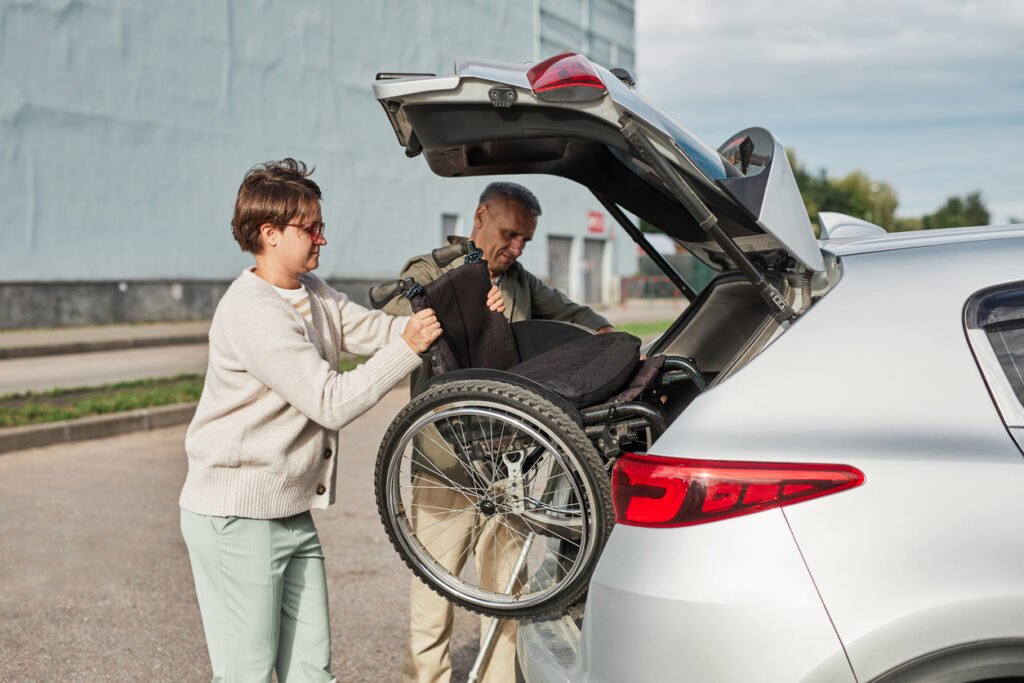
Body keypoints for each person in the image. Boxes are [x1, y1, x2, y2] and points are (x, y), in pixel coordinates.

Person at [178, 158, 442, 682]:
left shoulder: (312, 291)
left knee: (311, 670)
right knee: (247, 674)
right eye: (310, 228)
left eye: (322, 225)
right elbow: (329, 400)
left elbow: (373, 330)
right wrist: (409, 350)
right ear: (269, 233)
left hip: (290, 511)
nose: (322, 237)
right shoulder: (253, 310)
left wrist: (442, 316)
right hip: (237, 517)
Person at [384, 181, 613, 683]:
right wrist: (464, 299)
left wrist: (609, 338)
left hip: (507, 466)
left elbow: (577, 316)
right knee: (433, 589)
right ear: (480, 216)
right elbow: (393, 316)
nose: (516, 247)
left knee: (508, 592)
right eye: (510, 234)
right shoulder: (429, 270)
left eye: (525, 239)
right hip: (444, 462)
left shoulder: (519, 281)